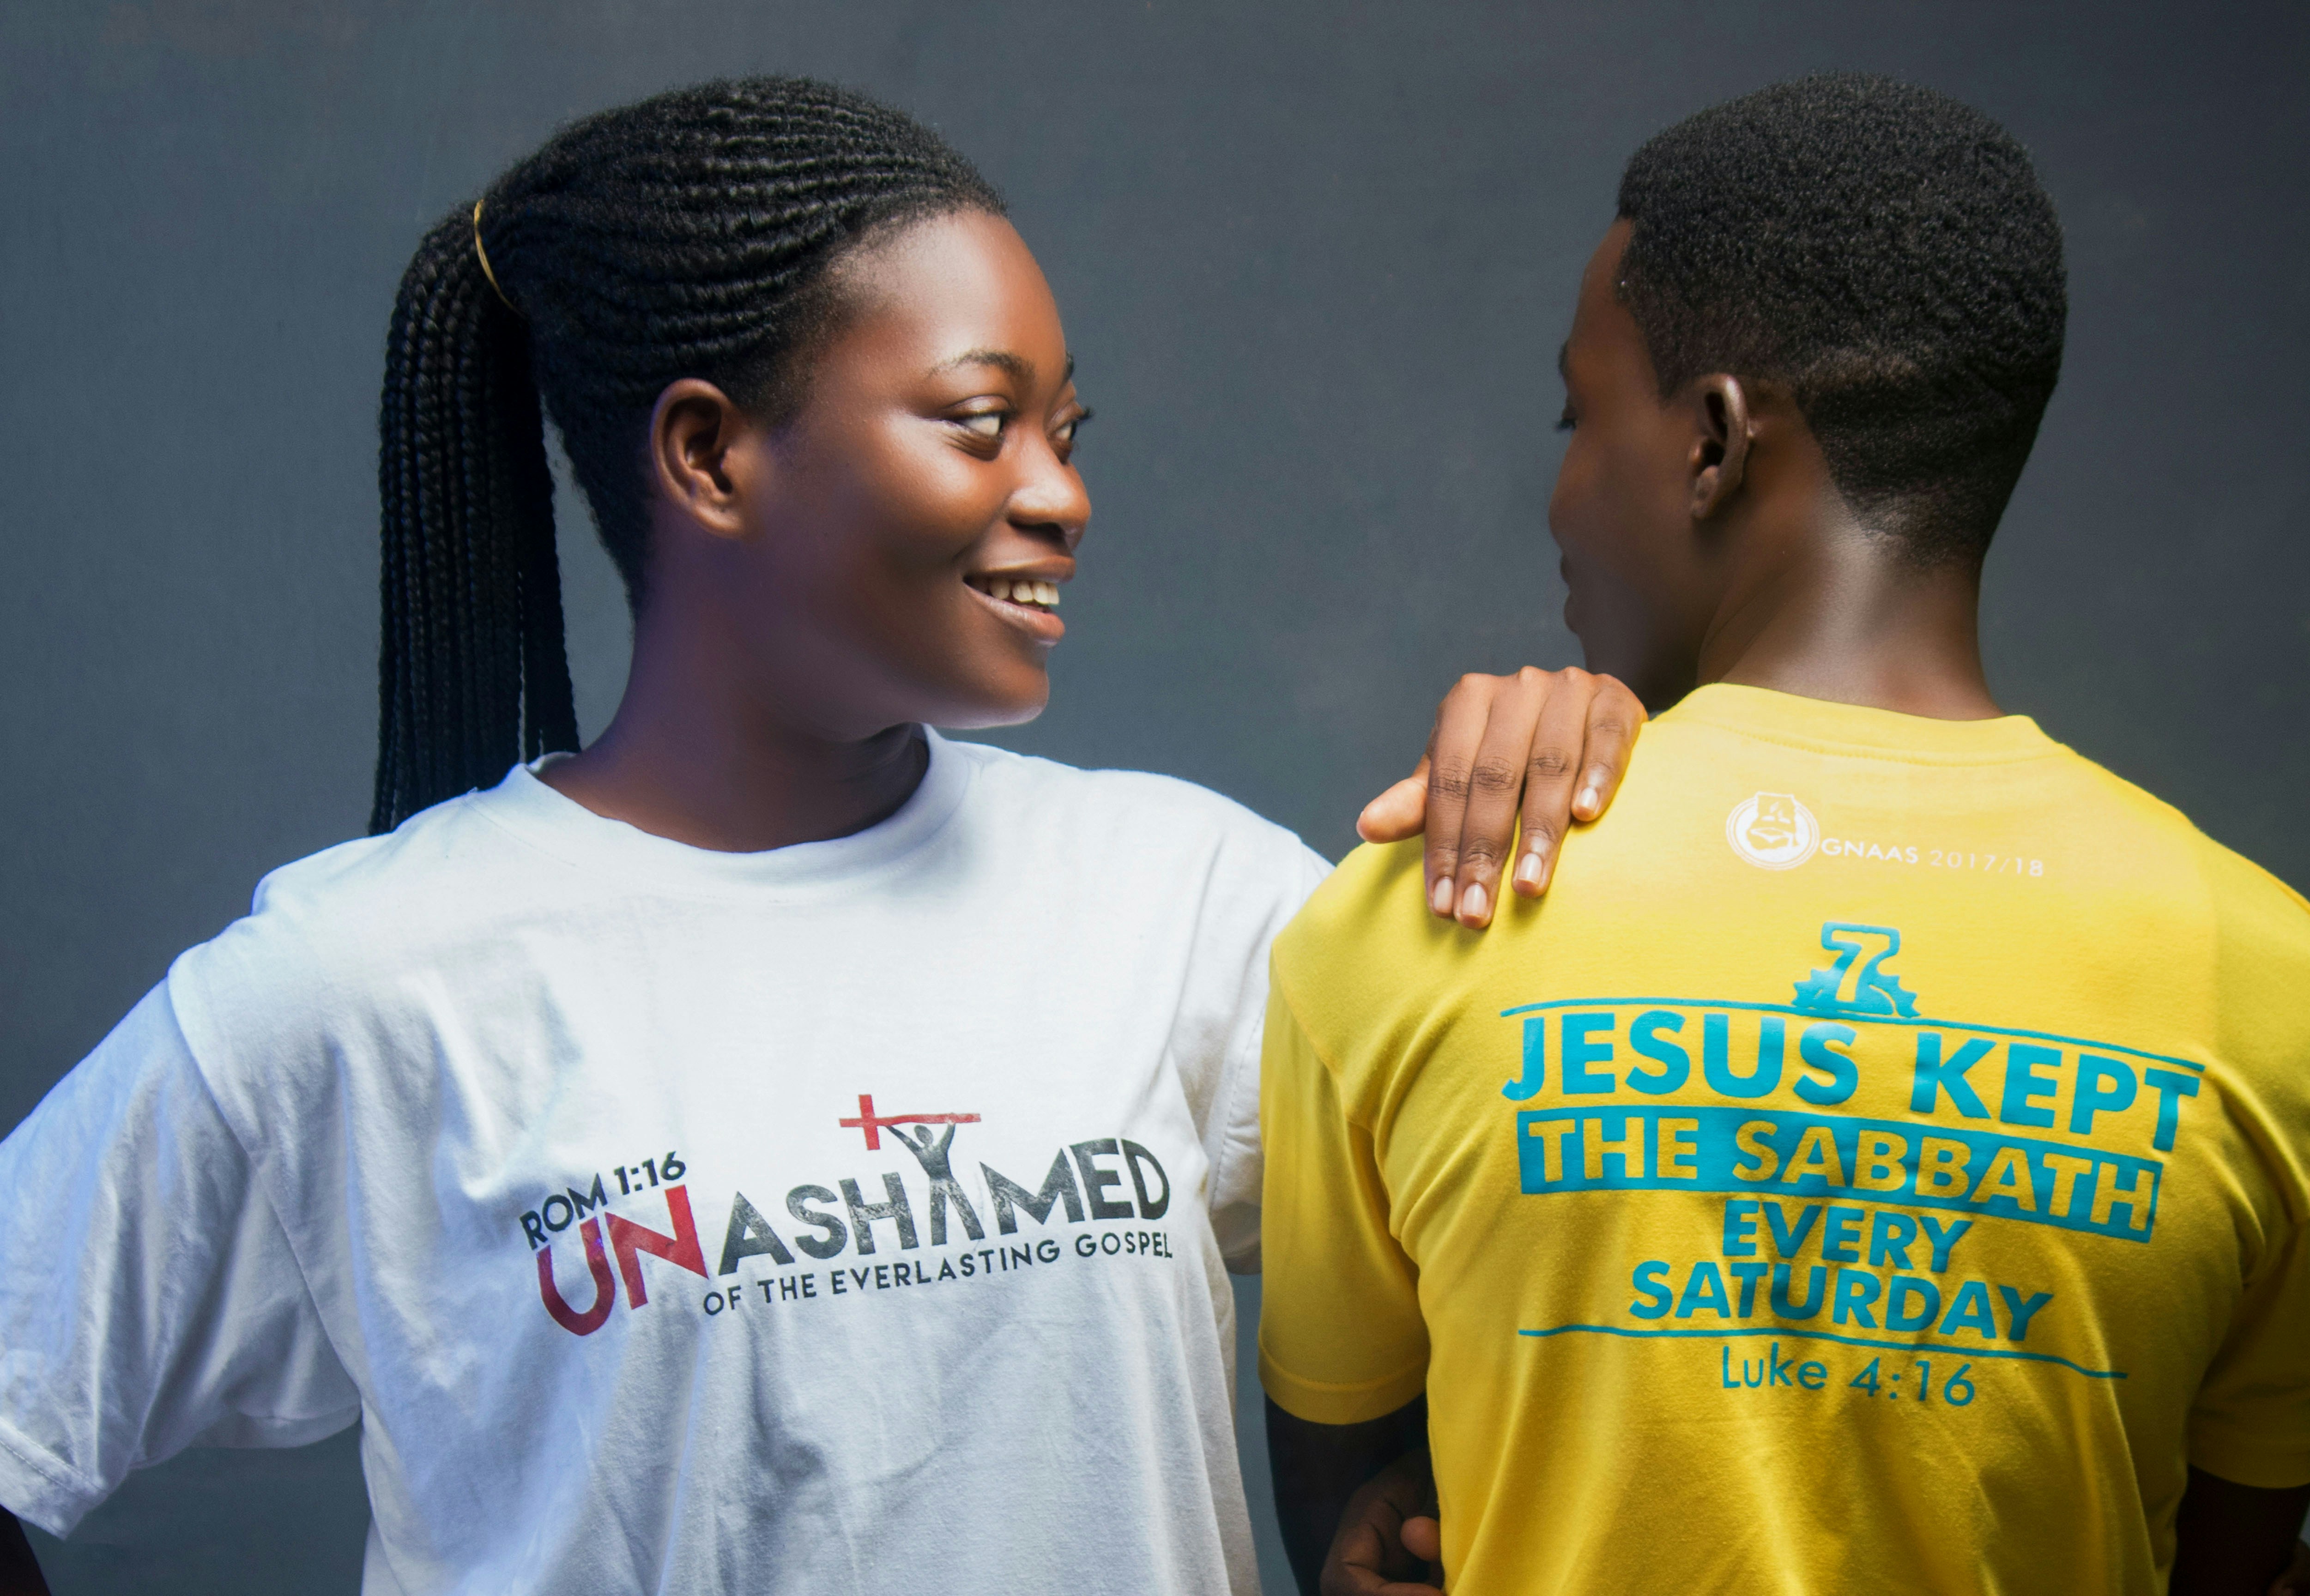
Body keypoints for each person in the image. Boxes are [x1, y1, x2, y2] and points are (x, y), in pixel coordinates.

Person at [0, 79, 1643, 1594]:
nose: (1060, 496)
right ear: (710, 456)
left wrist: (1619, 761)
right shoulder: (365, 980)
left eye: (1066, 433)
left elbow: (1598, 1239)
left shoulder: (1190, 896)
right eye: (977, 420)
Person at [1258, 73, 2310, 1596]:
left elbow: (1363, 1514)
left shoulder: (1415, 911)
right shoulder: (2286, 989)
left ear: (1712, 442)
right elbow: (2237, 1560)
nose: (1563, 493)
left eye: (1583, 417)